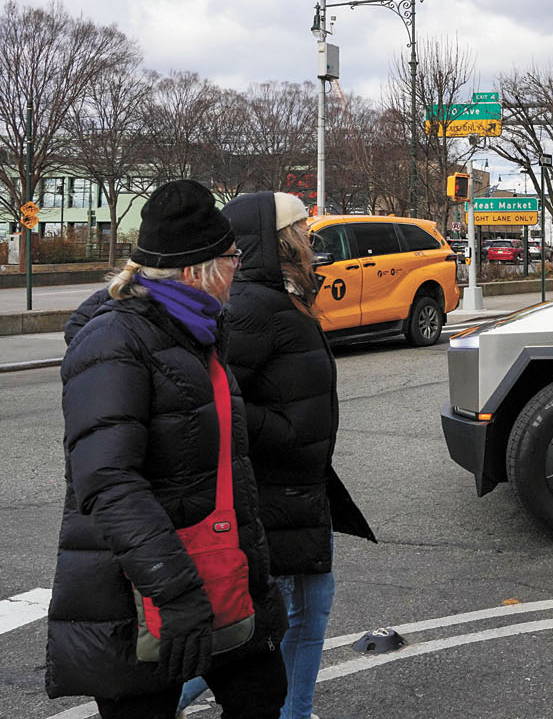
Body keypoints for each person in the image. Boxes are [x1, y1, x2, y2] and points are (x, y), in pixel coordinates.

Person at [45, 180, 288, 718]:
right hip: (144, 593)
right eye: (232, 257)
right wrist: (176, 595)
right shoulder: (115, 340)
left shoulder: (194, 329)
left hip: (216, 572)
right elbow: (108, 480)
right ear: (198, 269)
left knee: (263, 693)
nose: (238, 268)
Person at [177, 192, 376, 719]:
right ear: (275, 240)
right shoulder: (254, 308)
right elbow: (214, 403)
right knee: (270, 627)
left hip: (298, 495)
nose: (311, 243)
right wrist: (291, 430)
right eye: (302, 233)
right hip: (274, 496)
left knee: (291, 621)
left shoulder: (274, 301)